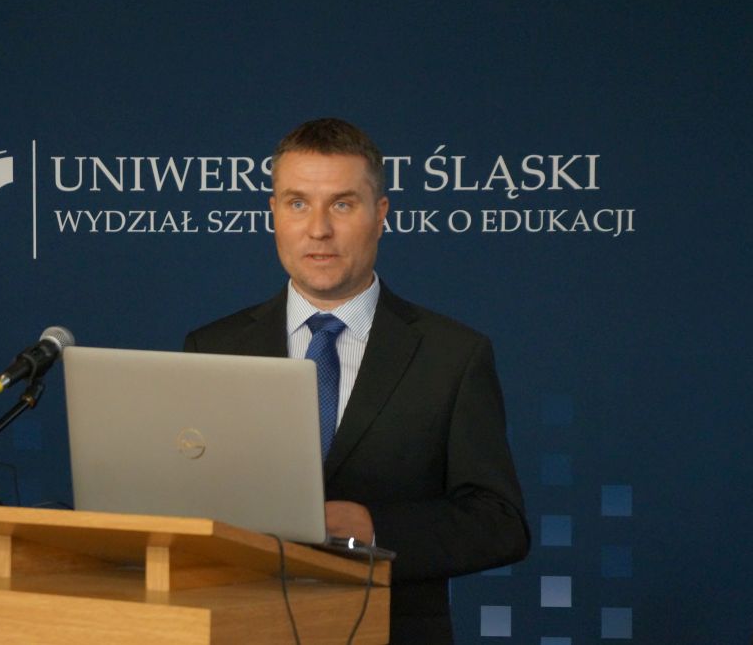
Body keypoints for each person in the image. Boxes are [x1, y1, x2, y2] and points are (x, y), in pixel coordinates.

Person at [184, 118, 529, 643]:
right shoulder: (212, 348)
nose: (318, 229)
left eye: (342, 204)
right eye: (297, 203)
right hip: (242, 628)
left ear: (380, 214)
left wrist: (372, 528)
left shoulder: (453, 355)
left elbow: (498, 523)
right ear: (273, 213)